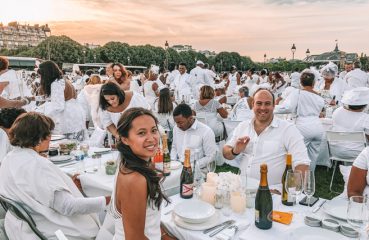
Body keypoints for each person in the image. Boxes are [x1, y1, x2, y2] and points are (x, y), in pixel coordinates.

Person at [0, 112, 110, 239]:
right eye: (49, 134)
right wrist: (108, 200)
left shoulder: (9, 158)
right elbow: (68, 206)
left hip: (20, 226)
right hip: (50, 230)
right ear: (41, 138)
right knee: (109, 218)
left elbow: (36, 190)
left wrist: (68, 187)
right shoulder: (38, 165)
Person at [223, 89, 310, 185]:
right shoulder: (243, 126)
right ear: (253, 105)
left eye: (267, 103)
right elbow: (226, 153)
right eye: (259, 103)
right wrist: (235, 151)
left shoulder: (288, 129)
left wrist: (288, 192)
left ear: (274, 106)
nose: (263, 108)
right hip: (242, 187)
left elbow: (302, 164)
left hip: (273, 191)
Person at [111, 107, 170, 239]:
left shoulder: (129, 162)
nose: (151, 138)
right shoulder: (135, 179)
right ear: (125, 139)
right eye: (142, 133)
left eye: (154, 131)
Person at [275, 70, 325, 171]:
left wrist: (272, 108)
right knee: (313, 157)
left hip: (303, 126)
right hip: (318, 127)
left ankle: (298, 180)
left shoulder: (297, 93)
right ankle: (309, 180)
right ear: (314, 83)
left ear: (300, 82)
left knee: (298, 156)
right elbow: (320, 111)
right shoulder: (319, 97)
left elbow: (288, 108)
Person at [36, 60, 86, 139]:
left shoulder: (56, 84)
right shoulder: (62, 80)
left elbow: (58, 106)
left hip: (67, 117)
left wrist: (42, 117)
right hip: (75, 114)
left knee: (67, 145)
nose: (40, 78)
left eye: (41, 76)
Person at [171, 103, 217, 168]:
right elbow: (174, 147)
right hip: (178, 166)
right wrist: (173, 161)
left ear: (190, 118)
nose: (178, 126)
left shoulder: (206, 131)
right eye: (176, 122)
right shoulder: (176, 128)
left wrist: (192, 166)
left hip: (198, 169)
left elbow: (210, 156)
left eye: (180, 122)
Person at [331, 87, 369, 159]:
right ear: (365, 105)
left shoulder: (338, 111)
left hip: (335, 150)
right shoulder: (365, 118)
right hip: (357, 153)